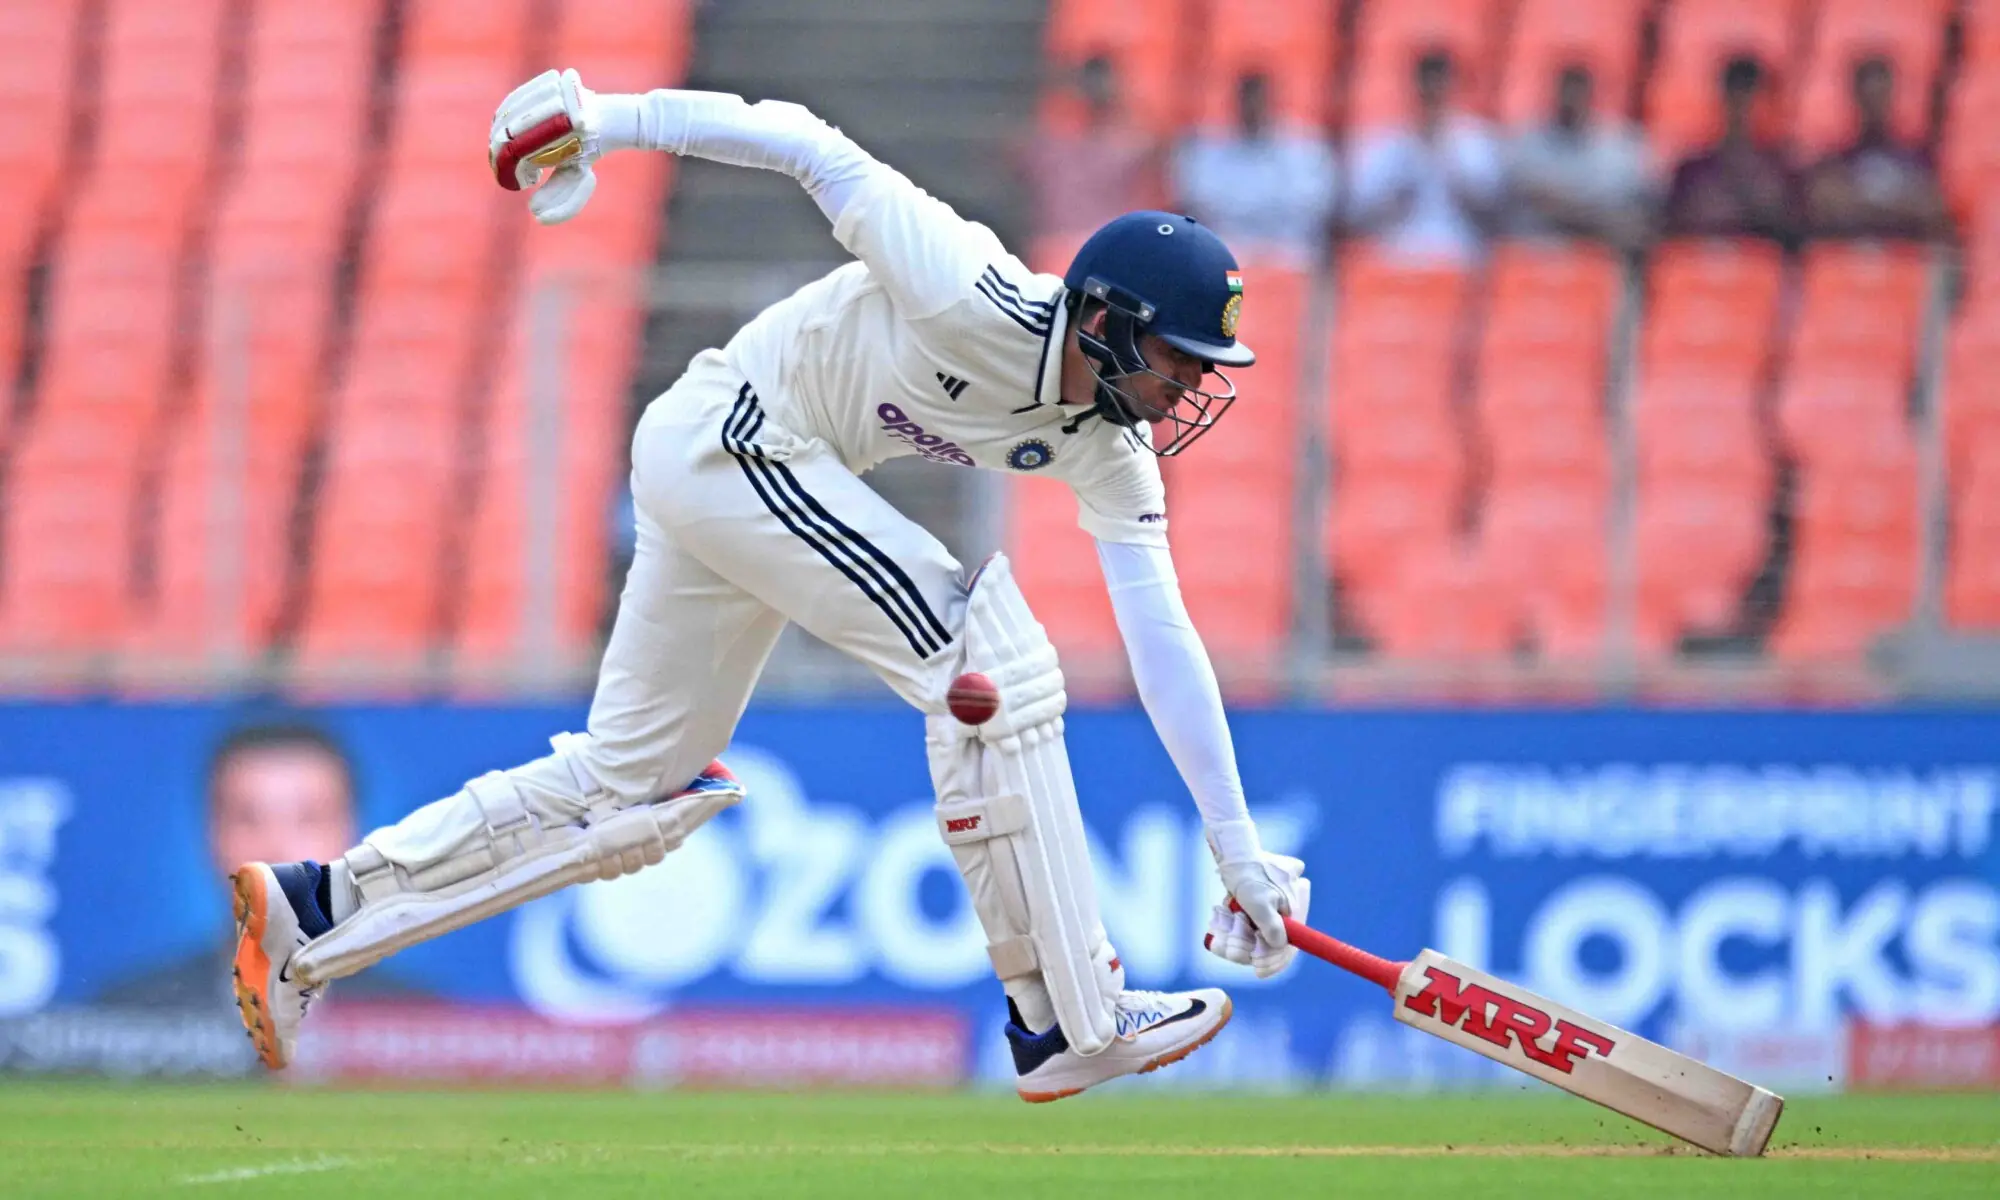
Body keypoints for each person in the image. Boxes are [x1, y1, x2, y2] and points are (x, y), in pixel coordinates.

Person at [231, 69, 1312, 1104]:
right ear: (1101, 318)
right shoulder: (967, 284)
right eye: (1173, 356)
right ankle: (1068, 1020)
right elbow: (806, 143)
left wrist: (1235, 845)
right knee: (985, 660)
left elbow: (1159, 634)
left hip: (736, 472)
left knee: (631, 787)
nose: (1185, 386)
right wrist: (605, 118)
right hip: (737, 442)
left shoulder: (1104, 447)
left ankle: (321, 907)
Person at [102, 722, 407, 1008]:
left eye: (308, 819)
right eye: (249, 819)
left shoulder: (418, 1021)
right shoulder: (126, 1018)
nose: (276, 849)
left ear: (354, 839)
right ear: (211, 836)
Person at [1346, 50, 1505, 264]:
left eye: (1439, 86)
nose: (1433, 94)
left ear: (1452, 88)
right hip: (1399, 253)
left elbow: (1488, 202)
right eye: (1427, 86)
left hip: (1458, 252)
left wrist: (1445, 152)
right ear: (1416, 88)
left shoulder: (1475, 141)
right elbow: (1358, 208)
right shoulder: (1389, 143)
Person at [1172, 73, 1339, 267]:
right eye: (1247, 102)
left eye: (1258, 102)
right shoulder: (1208, 153)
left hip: (1291, 255)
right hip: (1229, 255)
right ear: (1237, 104)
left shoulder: (1306, 150)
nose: (1253, 109)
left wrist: (1243, 208)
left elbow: (1311, 206)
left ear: (1272, 103)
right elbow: (1202, 204)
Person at [1505, 62, 1656, 248]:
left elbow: (1630, 205)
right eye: (1566, 93)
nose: (1571, 101)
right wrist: (1588, 211)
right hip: (1541, 245)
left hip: (1599, 247)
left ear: (1590, 96)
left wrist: (1568, 206)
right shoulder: (1528, 142)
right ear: (1555, 94)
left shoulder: (1619, 147)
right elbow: (1533, 194)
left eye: (1577, 93)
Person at [1803, 56, 1950, 242]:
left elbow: (1932, 209)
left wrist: (1860, 205)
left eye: (1880, 95)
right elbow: (1826, 204)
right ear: (1856, 97)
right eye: (1869, 96)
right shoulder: (1835, 159)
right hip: (1847, 256)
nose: (1875, 105)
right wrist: (1898, 206)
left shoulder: (1916, 157)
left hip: (1903, 260)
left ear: (1891, 95)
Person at [1017, 55, 1161, 240]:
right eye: (1090, 83)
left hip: (1114, 241)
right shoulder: (1056, 140)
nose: (1096, 89)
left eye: (1102, 82)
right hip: (1057, 242)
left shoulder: (1136, 140)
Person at [1662, 56, 1798, 244]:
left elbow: (1797, 230)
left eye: (1751, 96)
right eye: (1735, 96)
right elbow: (1671, 232)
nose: (1743, 108)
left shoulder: (1785, 170)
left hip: (1763, 264)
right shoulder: (1691, 171)